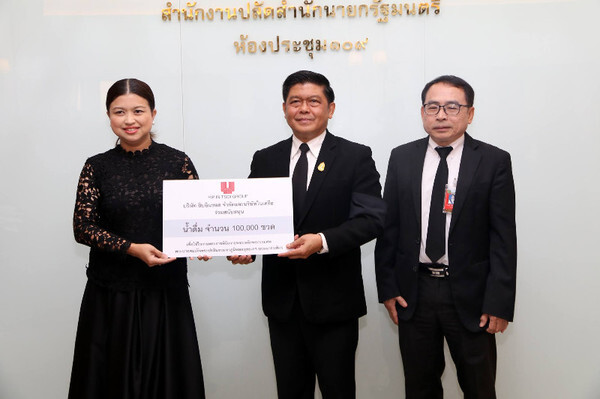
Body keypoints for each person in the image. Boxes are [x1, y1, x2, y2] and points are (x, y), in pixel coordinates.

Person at [229, 70, 385, 398]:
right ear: (284, 108)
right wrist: (243, 247)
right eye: (295, 101)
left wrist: (322, 242)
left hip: (334, 302)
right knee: (291, 391)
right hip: (282, 302)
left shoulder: (356, 157)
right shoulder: (266, 158)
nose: (304, 109)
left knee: (338, 390)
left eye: (314, 101)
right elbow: (250, 217)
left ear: (330, 108)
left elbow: (372, 219)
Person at [375, 75, 517, 398]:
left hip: (471, 295)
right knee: (420, 386)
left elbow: (503, 237)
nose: (441, 115)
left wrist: (499, 301)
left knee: (479, 387)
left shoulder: (494, 161)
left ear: (470, 113)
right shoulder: (401, 157)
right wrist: (388, 288)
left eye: (452, 107)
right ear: (422, 112)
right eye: (433, 106)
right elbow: (389, 229)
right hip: (415, 292)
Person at [69, 78, 206, 399]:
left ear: (153, 114)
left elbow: (199, 218)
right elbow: (82, 227)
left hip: (164, 291)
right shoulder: (96, 166)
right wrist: (131, 249)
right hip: (111, 294)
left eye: (138, 111)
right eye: (119, 112)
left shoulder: (177, 162)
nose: (129, 120)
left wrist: (206, 242)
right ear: (109, 116)